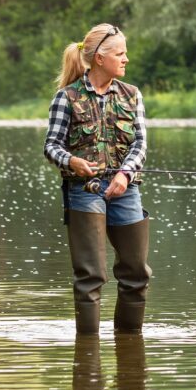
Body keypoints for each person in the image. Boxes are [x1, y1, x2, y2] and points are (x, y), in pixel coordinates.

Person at [44, 23, 151, 334]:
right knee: (90, 276)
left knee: (136, 273)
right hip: (83, 191)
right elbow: (51, 146)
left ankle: (129, 341)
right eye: (120, 53)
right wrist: (72, 162)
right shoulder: (66, 97)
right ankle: (88, 350)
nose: (126, 58)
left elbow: (140, 144)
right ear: (100, 59)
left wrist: (125, 174)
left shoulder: (132, 95)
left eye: (125, 52)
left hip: (125, 190)